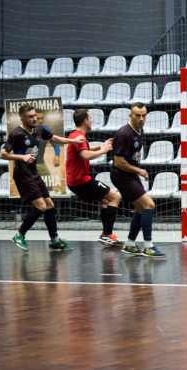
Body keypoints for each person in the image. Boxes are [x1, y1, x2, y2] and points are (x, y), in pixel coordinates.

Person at [0, 104, 86, 251]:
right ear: (22, 118)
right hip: (22, 175)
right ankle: (19, 235)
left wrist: (72, 141)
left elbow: (53, 138)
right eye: (30, 117)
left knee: (49, 205)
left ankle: (55, 240)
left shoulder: (39, 129)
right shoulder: (16, 134)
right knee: (41, 206)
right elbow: (3, 154)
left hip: (33, 173)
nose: (34, 118)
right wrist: (22, 157)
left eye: (35, 115)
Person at [111, 102, 165, 258]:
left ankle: (129, 244)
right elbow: (118, 162)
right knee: (149, 204)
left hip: (130, 175)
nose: (141, 118)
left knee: (141, 209)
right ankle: (148, 246)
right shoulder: (124, 134)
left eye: (144, 115)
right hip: (121, 176)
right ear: (130, 115)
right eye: (138, 115)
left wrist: (136, 170)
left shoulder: (139, 130)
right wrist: (139, 170)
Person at [66, 108, 123, 247]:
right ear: (85, 121)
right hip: (80, 180)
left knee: (106, 201)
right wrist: (103, 151)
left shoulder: (76, 134)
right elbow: (84, 155)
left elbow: (85, 149)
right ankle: (107, 235)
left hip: (74, 181)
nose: (92, 120)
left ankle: (106, 234)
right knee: (115, 197)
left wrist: (101, 146)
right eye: (90, 118)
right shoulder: (79, 136)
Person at [34, 110, 62, 192]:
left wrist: (57, 156)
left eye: (41, 118)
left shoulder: (46, 130)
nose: (40, 120)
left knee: (49, 184)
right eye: (38, 118)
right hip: (27, 164)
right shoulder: (26, 130)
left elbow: (56, 145)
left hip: (40, 162)